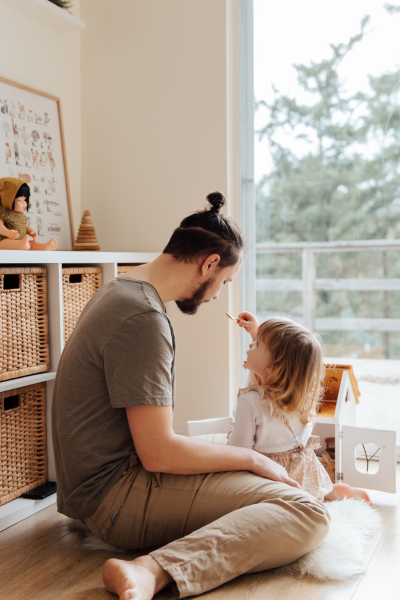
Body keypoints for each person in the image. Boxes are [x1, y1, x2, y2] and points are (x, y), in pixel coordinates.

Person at [52, 192, 330, 600]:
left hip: (97, 486)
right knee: (307, 511)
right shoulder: (143, 321)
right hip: (113, 498)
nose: (219, 295)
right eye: (225, 283)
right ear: (210, 264)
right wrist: (252, 458)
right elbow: (159, 453)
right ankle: (152, 569)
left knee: (242, 465)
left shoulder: (123, 290)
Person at [228, 312, 372, 505]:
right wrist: (256, 332)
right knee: (313, 493)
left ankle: (323, 495)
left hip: (272, 477)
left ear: (274, 367)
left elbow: (238, 452)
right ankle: (332, 492)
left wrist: (232, 435)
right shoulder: (300, 397)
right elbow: (272, 361)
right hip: (304, 469)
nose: (250, 345)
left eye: (257, 344)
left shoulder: (250, 401)